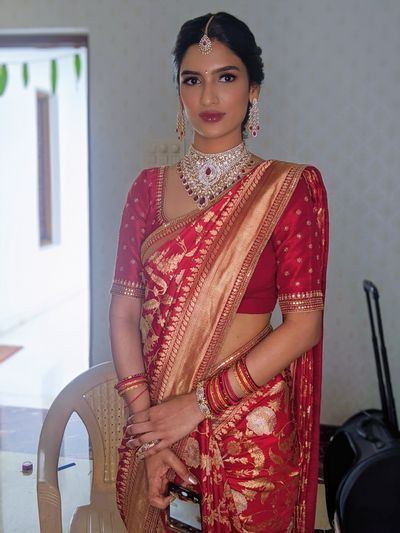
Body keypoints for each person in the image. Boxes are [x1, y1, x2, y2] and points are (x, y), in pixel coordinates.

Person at [109, 12, 329, 533]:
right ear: (180, 93)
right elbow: (122, 314)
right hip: (159, 419)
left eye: (226, 77)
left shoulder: (287, 190)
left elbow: (305, 324)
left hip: (252, 431)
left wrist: (197, 404)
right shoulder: (147, 189)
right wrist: (152, 432)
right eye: (193, 79)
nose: (209, 96)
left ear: (253, 89)